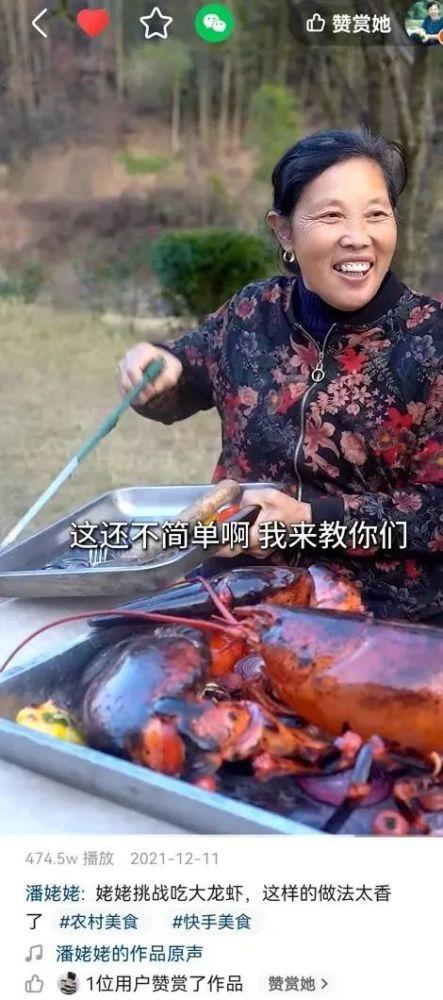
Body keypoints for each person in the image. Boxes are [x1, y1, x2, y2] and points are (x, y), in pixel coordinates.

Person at [118, 130, 442, 623]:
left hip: (379, 614)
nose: (358, 236)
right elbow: (184, 375)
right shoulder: (253, 312)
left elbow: (434, 514)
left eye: (376, 214)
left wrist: (309, 519)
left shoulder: (431, 340)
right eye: (331, 216)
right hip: (235, 593)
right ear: (284, 231)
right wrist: (157, 364)